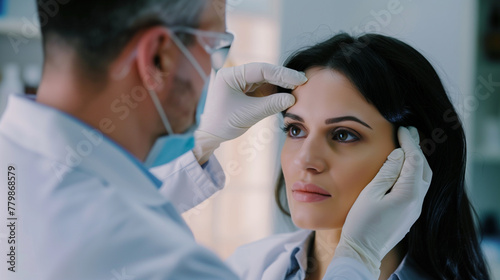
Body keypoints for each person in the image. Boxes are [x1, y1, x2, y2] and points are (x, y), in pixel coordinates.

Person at [0, 0, 430, 279]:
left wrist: (201, 145)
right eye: (213, 46)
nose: (307, 160)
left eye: (342, 133)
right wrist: (356, 255)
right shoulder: (190, 267)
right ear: (160, 56)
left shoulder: (15, 175)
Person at [226, 33, 491, 280]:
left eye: (343, 135)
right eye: (295, 130)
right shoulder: (246, 266)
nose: (305, 161)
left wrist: (359, 256)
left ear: (413, 155)